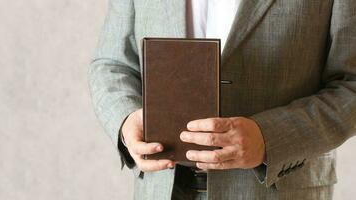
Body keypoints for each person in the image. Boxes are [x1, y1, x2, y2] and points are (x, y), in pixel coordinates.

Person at [87, 0, 356, 199]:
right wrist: (126, 119)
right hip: (162, 189)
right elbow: (112, 64)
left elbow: (351, 85)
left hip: (275, 191)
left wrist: (268, 138)